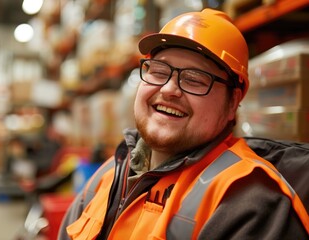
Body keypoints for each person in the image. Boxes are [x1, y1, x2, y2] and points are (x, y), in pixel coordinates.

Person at [58, 8, 309, 240]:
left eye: (194, 79)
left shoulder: (248, 199)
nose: (169, 89)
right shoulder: (107, 178)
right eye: (158, 71)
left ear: (232, 103)